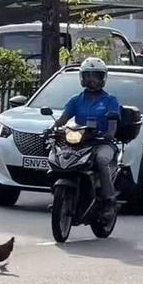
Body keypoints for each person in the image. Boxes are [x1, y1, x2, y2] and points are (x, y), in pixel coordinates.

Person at [50, 57, 122, 222]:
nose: (91, 80)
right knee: (58, 157)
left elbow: (113, 125)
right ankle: (58, 197)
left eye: (95, 76)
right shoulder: (76, 100)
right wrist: (52, 129)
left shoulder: (110, 100)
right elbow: (63, 119)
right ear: (82, 78)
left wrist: (109, 133)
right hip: (81, 142)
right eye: (87, 76)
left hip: (102, 143)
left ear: (103, 78)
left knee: (102, 160)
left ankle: (109, 200)